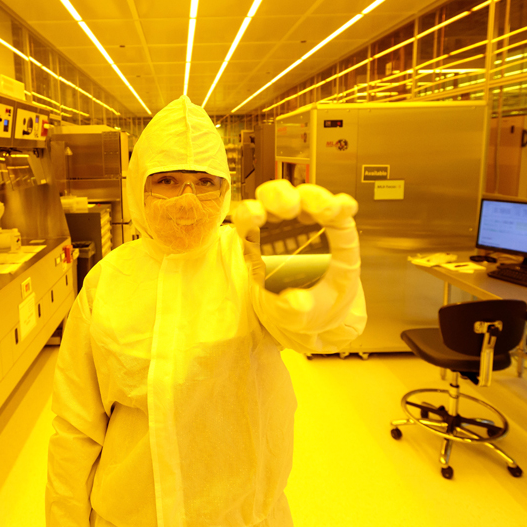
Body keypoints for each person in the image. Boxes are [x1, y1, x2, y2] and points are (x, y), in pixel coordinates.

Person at [46, 96, 367, 527]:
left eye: (204, 181)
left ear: (225, 187)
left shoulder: (248, 258)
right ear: (138, 185)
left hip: (240, 513)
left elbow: (321, 328)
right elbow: (75, 423)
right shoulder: (107, 280)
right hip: (131, 512)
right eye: (167, 181)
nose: (187, 201)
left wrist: (325, 294)